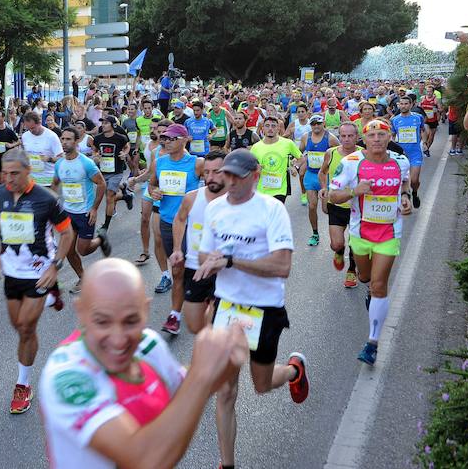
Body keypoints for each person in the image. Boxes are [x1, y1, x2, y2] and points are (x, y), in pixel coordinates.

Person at [39, 258, 250, 469]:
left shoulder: (147, 344)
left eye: (131, 321)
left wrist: (224, 354)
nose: (119, 339)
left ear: (145, 311)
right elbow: (144, 461)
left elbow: (185, 389)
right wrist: (202, 375)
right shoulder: (65, 374)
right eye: (102, 321)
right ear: (81, 312)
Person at [196, 149, 310, 469]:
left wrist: (233, 261)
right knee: (226, 391)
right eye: (225, 175)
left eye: (237, 176)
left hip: (264, 309)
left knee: (260, 385)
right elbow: (207, 255)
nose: (228, 181)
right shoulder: (215, 208)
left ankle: (293, 371)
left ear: (255, 176)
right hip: (227, 307)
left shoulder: (271, 210)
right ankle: (227, 464)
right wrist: (209, 267)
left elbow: (282, 265)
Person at [0, 148, 74, 414]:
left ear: (28, 171)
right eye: (5, 173)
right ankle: (53, 296)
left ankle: (22, 385)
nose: (9, 179)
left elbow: (68, 234)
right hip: (12, 273)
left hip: (39, 273)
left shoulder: (46, 199)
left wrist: (56, 266)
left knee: (25, 328)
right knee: (20, 328)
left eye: (15, 173)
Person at [329, 119, 412, 365]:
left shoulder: (401, 162)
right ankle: (369, 288)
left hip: (389, 232)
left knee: (378, 285)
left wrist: (405, 198)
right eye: (372, 135)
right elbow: (333, 195)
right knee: (365, 278)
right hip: (360, 233)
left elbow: (405, 182)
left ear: (389, 137)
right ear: (365, 139)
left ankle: (372, 343)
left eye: (381, 134)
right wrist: (355, 191)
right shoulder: (350, 163)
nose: (377, 139)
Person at [167, 150, 228, 335]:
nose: (211, 177)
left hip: (225, 271)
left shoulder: (236, 200)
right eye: (207, 172)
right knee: (195, 327)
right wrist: (177, 249)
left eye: (217, 172)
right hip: (195, 267)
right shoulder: (192, 197)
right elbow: (179, 219)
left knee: (216, 328)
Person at [53, 126, 111, 296]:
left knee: (83, 250)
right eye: (62, 139)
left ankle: (101, 238)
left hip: (85, 212)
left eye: (68, 139)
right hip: (68, 213)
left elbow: (101, 184)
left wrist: (94, 209)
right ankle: (83, 277)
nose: (64, 142)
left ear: (77, 141)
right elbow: (55, 183)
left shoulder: (86, 163)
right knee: (69, 250)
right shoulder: (59, 164)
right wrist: (56, 201)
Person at [149, 124, 203, 298]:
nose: (168, 142)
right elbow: (152, 184)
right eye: (165, 138)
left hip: (191, 222)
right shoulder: (159, 162)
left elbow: (215, 185)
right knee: (177, 266)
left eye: (173, 138)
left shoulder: (197, 163)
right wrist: (153, 192)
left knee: (192, 264)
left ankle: (196, 296)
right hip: (167, 221)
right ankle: (181, 299)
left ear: (185, 140)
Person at [319, 122, 362, 288]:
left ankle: (351, 271)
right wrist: (324, 187)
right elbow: (323, 173)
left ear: (357, 137)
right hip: (336, 204)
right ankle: (338, 252)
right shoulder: (330, 153)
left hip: (358, 207)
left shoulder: (364, 154)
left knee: (355, 243)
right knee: (336, 243)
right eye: (343, 136)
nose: (346, 139)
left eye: (350, 136)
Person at [127, 118, 165, 268]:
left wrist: (136, 179)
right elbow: (149, 169)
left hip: (167, 189)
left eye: (156, 128)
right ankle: (145, 251)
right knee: (144, 219)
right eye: (152, 128)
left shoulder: (170, 148)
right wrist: (137, 177)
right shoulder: (148, 146)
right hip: (151, 186)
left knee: (162, 225)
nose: (153, 131)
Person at [299, 115, 340, 246]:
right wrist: (296, 163)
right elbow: (299, 152)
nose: (316, 126)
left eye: (318, 123)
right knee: (312, 206)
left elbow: (340, 154)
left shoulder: (331, 139)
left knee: (326, 209)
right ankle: (315, 234)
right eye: (313, 124)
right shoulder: (306, 137)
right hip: (311, 175)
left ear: (324, 124)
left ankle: (335, 232)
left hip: (326, 177)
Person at [92, 116, 133, 230]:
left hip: (117, 171)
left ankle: (106, 225)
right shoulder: (98, 138)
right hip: (103, 171)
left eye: (106, 123)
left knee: (109, 196)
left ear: (113, 125)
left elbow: (127, 146)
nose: (103, 125)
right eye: (102, 123)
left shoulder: (120, 137)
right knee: (110, 195)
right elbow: (95, 149)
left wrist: (124, 153)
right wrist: (96, 155)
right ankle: (126, 196)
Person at [251, 116, 302, 203]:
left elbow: (301, 158)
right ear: (262, 128)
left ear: (278, 128)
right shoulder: (256, 147)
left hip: (280, 189)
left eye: (273, 126)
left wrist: (295, 167)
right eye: (267, 126)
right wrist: (255, 169)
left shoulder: (287, 143)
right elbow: (249, 166)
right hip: (262, 189)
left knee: (275, 214)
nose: (270, 128)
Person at [390, 96, 427, 208]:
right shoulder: (395, 120)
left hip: (415, 153)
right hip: (401, 155)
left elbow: (423, 131)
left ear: (411, 105)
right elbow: (392, 136)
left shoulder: (418, 117)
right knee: (400, 180)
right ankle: (405, 195)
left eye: (406, 104)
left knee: (414, 180)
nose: (403, 106)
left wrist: (424, 142)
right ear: (398, 105)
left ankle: (415, 193)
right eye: (401, 104)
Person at [20, 110, 63, 187]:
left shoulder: (51, 136)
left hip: (48, 181)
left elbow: (62, 158)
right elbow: (23, 154)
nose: (31, 131)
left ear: (39, 123)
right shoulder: (25, 136)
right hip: (31, 181)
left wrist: (49, 159)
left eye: (33, 128)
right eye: (28, 128)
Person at [0, 108, 19, 185]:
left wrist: (11, 145)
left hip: (7, 159)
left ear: (3, 118)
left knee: (4, 181)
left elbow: (19, 141)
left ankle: (6, 195)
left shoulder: (9, 131)